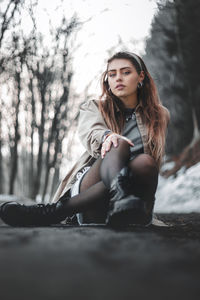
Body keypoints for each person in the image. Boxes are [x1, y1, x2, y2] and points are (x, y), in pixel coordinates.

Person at [0, 51, 170, 227]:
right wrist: (107, 136)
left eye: (126, 72)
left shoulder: (160, 115)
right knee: (117, 143)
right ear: (108, 80)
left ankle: (55, 212)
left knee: (146, 162)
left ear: (140, 76)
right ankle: (107, 200)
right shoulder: (95, 107)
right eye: (112, 74)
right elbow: (91, 131)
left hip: (134, 204)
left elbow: (154, 160)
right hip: (92, 197)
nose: (118, 78)